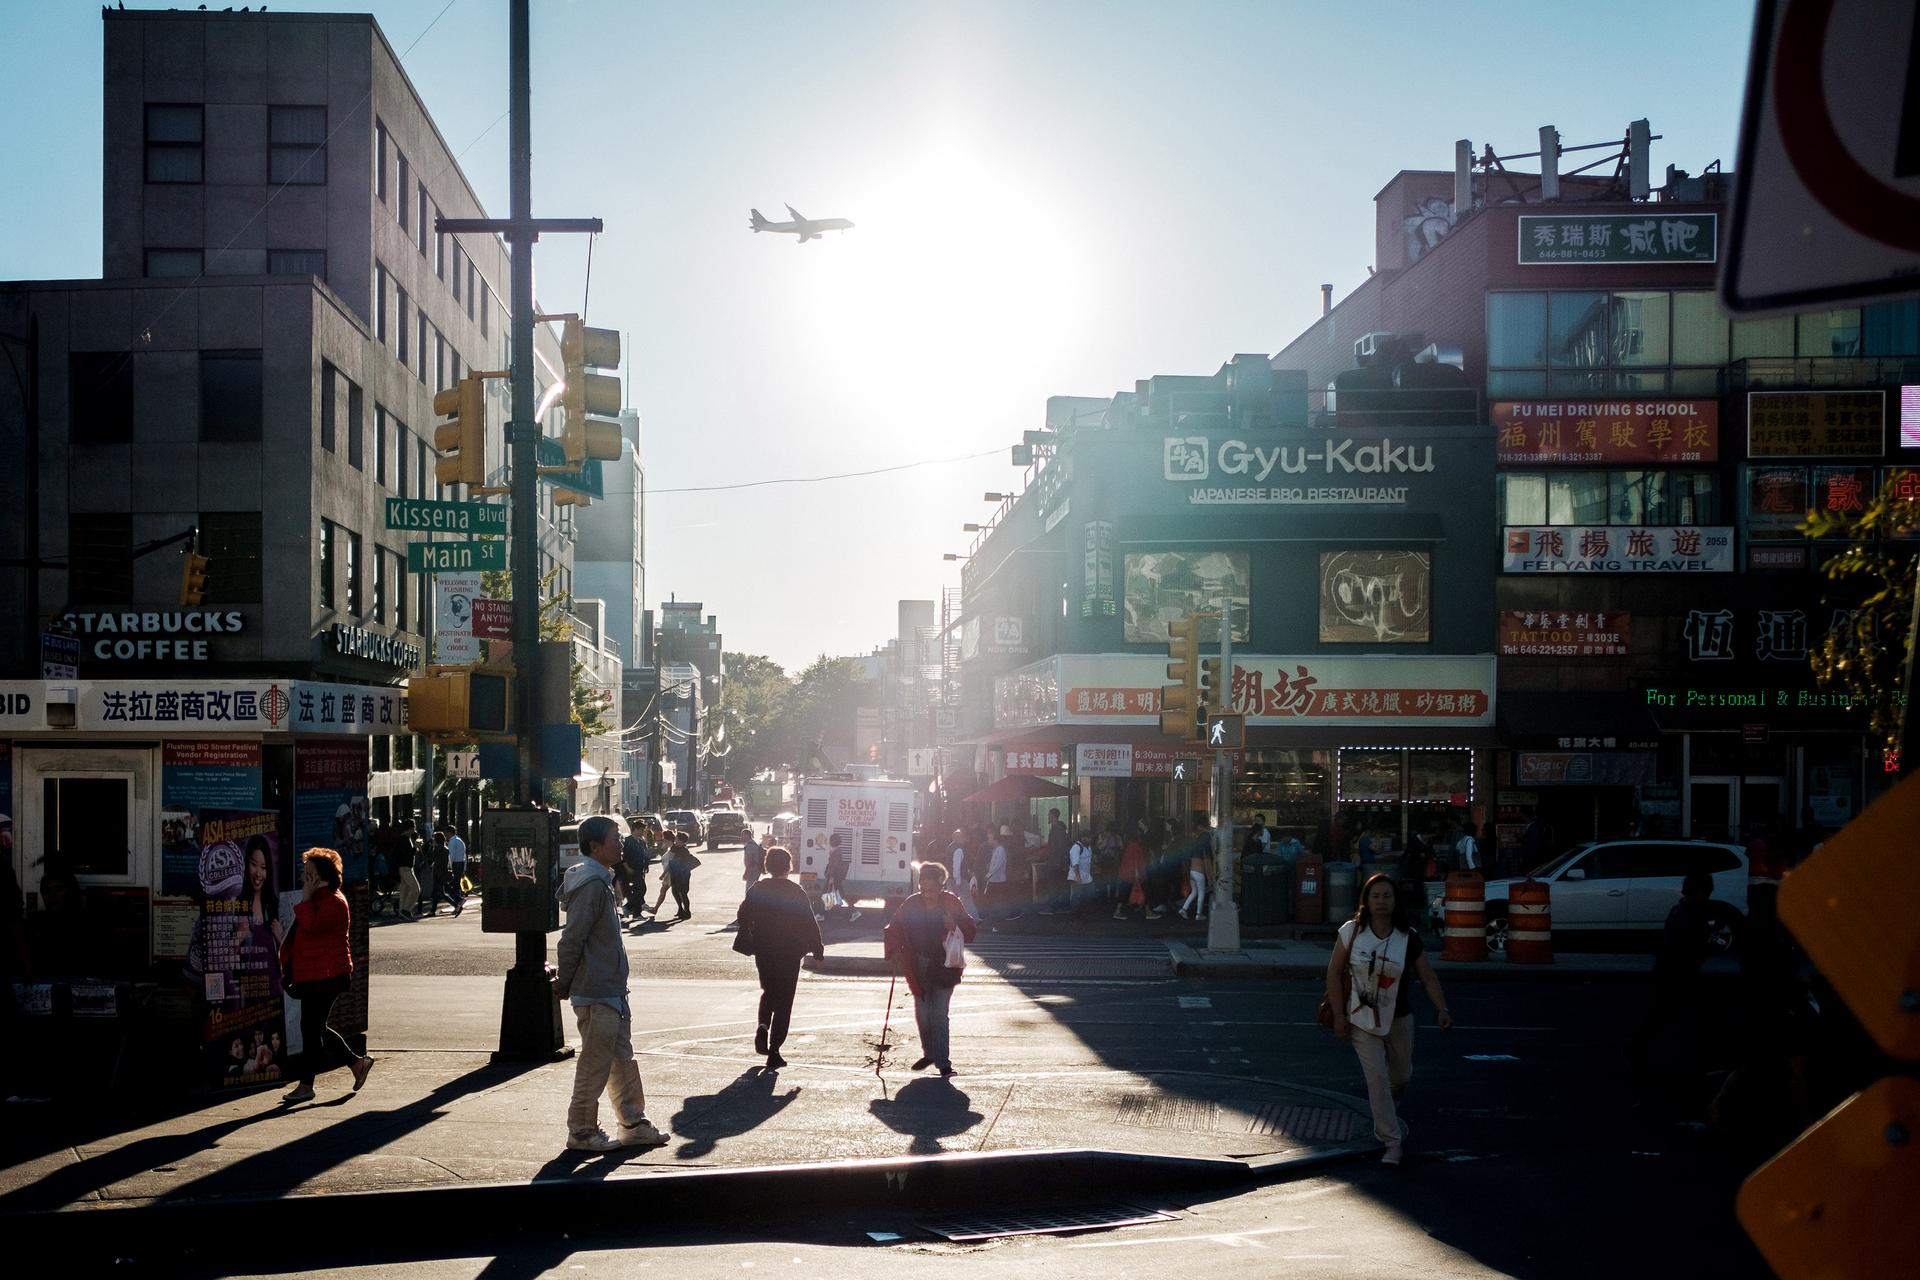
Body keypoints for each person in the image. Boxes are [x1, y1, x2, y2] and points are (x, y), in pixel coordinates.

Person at [555, 815, 669, 1151]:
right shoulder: (591, 885)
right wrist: (564, 980)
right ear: (595, 846)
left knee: (621, 1057)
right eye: (614, 838)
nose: (621, 842)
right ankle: (582, 1130)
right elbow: (571, 938)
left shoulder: (600, 879)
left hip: (611, 988)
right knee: (596, 1062)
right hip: (596, 990)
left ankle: (633, 1123)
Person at [1325, 873, 1452, 1166]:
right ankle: (1392, 1142)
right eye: (1375, 896)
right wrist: (1339, 1017)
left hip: (1399, 1018)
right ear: (1366, 901)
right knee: (1378, 1081)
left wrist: (1442, 1009)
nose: (1381, 901)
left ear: (1395, 902)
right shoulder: (1351, 932)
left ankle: (1388, 1109)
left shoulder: (1408, 937)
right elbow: (1333, 973)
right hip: (1361, 1019)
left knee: (1401, 1077)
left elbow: (1427, 976)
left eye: (1387, 896)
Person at [279, 849, 374, 1104]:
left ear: (323, 877)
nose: (304, 878)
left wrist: (306, 898)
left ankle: (307, 1085)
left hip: (328, 976)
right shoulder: (321, 898)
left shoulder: (333, 901)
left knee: (312, 1029)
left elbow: (310, 925)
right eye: (305, 873)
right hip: (314, 976)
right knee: (313, 1028)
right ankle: (356, 1064)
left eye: (310, 874)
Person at [884, 861, 978, 1077]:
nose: (927, 895)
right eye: (923, 890)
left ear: (941, 886)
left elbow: (971, 929)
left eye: (932, 890)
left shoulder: (951, 902)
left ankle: (944, 1062)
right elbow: (894, 927)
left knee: (939, 1014)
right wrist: (894, 952)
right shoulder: (910, 904)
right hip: (918, 964)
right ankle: (930, 1053)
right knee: (923, 1014)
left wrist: (953, 925)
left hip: (945, 964)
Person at [735, 846, 823, 1069]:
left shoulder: (758, 889)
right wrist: (817, 947)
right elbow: (809, 921)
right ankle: (774, 1049)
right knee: (785, 1000)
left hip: (764, 950)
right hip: (790, 952)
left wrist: (750, 933)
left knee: (769, 991)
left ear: (768, 866)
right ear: (789, 866)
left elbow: (742, 914)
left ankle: (762, 1027)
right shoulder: (796, 892)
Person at [1114, 825, 1149, 921]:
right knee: (1141, 891)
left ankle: (1119, 910)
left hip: (1126, 873)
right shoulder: (1134, 846)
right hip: (1132, 873)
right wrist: (1137, 874)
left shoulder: (1128, 845)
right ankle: (1146, 910)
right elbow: (1135, 860)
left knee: (1124, 892)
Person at [1179, 831, 1212, 921]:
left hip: (1192, 872)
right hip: (1199, 873)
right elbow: (1207, 863)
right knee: (1201, 893)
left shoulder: (1194, 847)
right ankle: (1199, 914)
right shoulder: (1205, 848)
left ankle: (1184, 909)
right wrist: (1209, 878)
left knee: (1194, 892)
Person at [982, 827, 1011, 930]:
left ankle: (998, 922)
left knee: (996, 901)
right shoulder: (996, 850)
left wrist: (989, 874)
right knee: (991, 900)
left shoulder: (1000, 850)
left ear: (995, 840)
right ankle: (993, 920)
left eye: (990, 839)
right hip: (994, 880)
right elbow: (994, 863)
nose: (988, 841)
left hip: (998, 881)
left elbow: (998, 864)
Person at [393, 820, 420, 920]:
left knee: (405, 890)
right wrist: (415, 848)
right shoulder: (404, 839)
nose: (415, 829)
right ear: (410, 828)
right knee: (416, 889)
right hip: (405, 868)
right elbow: (406, 854)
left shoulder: (405, 838)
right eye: (414, 827)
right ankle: (406, 910)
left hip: (405, 867)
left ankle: (402, 911)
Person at [445, 825, 468, 912]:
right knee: (456, 885)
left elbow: (451, 856)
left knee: (451, 886)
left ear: (449, 832)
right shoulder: (460, 841)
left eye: (446, 833)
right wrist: (464, 868)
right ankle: (458, 906)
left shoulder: (452, 842)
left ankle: (459, 901)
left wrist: (449, 867)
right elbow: (464, 855)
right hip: (461, 864)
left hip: (455, 865)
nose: (446, 835)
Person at [417, 831, 441, 917]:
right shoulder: (432, 847)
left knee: (437, 891)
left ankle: (431, 910)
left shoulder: (436, 848)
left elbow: (429, 858)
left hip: (432, 873)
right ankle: (431, 910)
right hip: (430, 873)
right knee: (438, 891)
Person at [741, 828, 766, 896]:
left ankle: (749, 903)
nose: (741, 837)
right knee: (753, 887)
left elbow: (749, 860)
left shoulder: (749, 846)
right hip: (756, 869)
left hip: (752, 869)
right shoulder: (754, 844)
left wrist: (746, 872)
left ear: (747, 835)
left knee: (749, 888)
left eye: (742, 835)